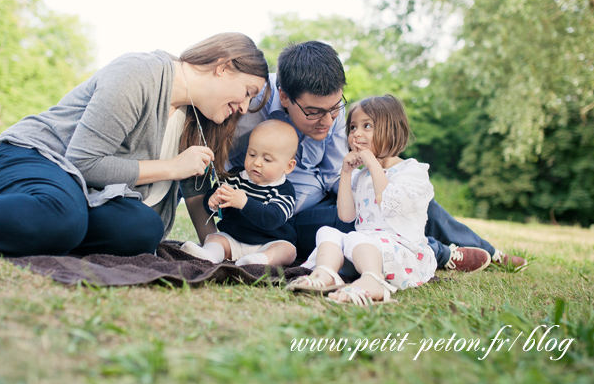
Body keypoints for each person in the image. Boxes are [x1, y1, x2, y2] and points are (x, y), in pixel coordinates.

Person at [0, 33, 269, 257]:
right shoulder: (140, 73)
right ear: (223, 66)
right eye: (248, 92)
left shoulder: (200, 120)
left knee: (141, 229)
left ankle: (36, 227)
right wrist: (171, 168)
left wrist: (213, 244)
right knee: (62, 218)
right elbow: (84, 162)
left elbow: (195, 194)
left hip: (80, 196)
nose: (244, 107)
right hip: (31, 160)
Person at [184, 41, 526, 273]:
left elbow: (334, 174)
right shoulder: (245, 111)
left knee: (396, 196)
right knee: (350, 226)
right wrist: (214, 235)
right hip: (284, 216)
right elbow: (205, 171)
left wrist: (373, 183)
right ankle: (436, 252)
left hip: (331, 196)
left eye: (336, 109)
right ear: (285, 97)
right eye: (315, 112)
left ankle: (489, 251)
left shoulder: (331, 110)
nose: (329, 121)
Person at [287, 95, 436, 305]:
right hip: (365, 250)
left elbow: (389, 203)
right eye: (353, 127)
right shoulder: (361, 175)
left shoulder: (411, 170)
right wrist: (347, 173)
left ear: (392, 129)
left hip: (402, 255)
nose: (356, 134)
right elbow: (346, 216)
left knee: (358, 238)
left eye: (367, 126)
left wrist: (372, 163)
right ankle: (326, 273)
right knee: (327, 232)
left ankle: (373, 280)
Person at [180, 119, 299, 267]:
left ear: (288, 166)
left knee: (288, 251)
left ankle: (258, 261)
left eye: (267, 159)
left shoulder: (284, 191)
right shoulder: (235, 177)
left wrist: (245, 203)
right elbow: (216, 202)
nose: (257, 163)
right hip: (233, 239)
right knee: (215, 238)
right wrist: (213, 201)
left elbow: (272, 219)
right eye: (252, 154)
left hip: (268, 244)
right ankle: (208, 255)